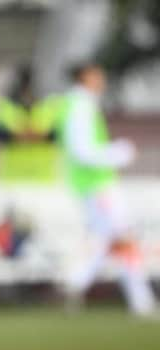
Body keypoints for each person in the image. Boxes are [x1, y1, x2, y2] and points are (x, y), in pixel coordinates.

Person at [58, 62, 156, 316]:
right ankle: (141, 302)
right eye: (97, 74)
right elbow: (82, 151)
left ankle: (74, 284)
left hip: (91, 184)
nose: (102, 78)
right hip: (97, 184)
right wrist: (118, 153)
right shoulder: (81, 106)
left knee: (109, 242)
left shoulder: (75, 104)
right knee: (124, 240)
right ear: (86, 77)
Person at [0, 65, 62, 258]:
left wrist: (35, 136)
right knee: (16, 230)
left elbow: (58, 133)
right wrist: (18, 135)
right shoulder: (1, 106)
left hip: (43, 181)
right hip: (13, 180)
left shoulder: (50, 105)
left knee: (41, 233)